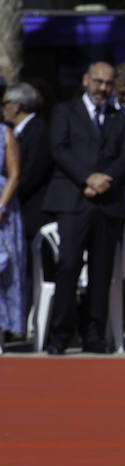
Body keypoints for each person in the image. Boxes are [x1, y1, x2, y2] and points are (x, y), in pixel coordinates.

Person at [43, 60, 125, 354]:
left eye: (108, 83)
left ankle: (94, 335)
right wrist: (87, 177)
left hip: (107, 203)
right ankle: (60, 335)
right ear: (86, 80)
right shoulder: (65, 111)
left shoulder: (120, 119)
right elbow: (59, 149)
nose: (103, 88)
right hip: (73, 200)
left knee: (101, 271)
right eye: (98, 82)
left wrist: (104, 180)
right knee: (68, 265)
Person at [3, 82, 52, 309]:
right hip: (15, 212)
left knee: (30, 272)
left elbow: (30, 174)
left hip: (30, 214)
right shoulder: (15, 132)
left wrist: (6, 199)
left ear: (17, 105)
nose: (2, 109)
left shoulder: (39, 130)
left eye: (5, 103)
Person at [0, 118, 21, 348]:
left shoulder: (4, 133)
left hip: (3, 211)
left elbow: (15, 174)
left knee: (2, 269)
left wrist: (1, 206)